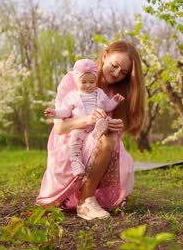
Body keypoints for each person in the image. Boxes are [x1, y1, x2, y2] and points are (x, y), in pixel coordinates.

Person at [37, 41, 145, 221]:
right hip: (71, 142)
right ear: (104, 57)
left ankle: (89, 196)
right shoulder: (74, 78)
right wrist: (88, 120)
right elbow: (60, 127)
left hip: (98, 140)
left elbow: (108, 126)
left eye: (124, 72)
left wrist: (113, 125)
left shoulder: (114, 93)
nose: (117, 73)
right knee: (107, 138)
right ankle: (86, 201)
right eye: (115, 66)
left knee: (112, 137)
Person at [44, 59, 125, 177]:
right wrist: (55, 113)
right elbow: (65, 112)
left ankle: (99, 131)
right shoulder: (72, 96)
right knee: (74, 140)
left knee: (106, 121)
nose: (88, 85)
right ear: (77, 81)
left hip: (97, 125)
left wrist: (115, 101)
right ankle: (76, 163)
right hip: (81, 127)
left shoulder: (99, 93)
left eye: (92, 82)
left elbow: (108, 106)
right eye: (84, 82)